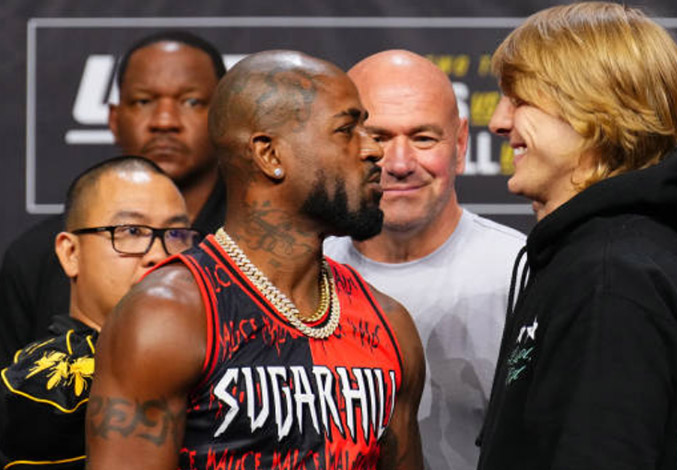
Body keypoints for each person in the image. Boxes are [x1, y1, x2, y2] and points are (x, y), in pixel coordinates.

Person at [85, 50, 425, 470]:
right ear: (269, 155)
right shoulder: (168, 315)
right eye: (346, 130)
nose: (374, 150)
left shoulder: (389, 325)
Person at [478, 3, 677, 470]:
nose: (497, 121)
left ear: (593, 112)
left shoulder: (609, 273)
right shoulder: (628, 247)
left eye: (519, 100)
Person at [324, 49, 525, 470]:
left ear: (461, 143)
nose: (398, 164)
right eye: (377, 137)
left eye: (423, 138)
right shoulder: (301, 272)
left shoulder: (523, 274)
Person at [0, 31, 226, 366]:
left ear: (224, 120)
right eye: (143, 101)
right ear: (114, 119)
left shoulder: (258, 251)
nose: (165, 122)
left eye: (191, 102)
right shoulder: (35, 256)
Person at [0, 156, 197, 469]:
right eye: (131, 231)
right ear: (71, 253)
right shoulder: (30, 391)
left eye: (176, 235)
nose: (159, 255)